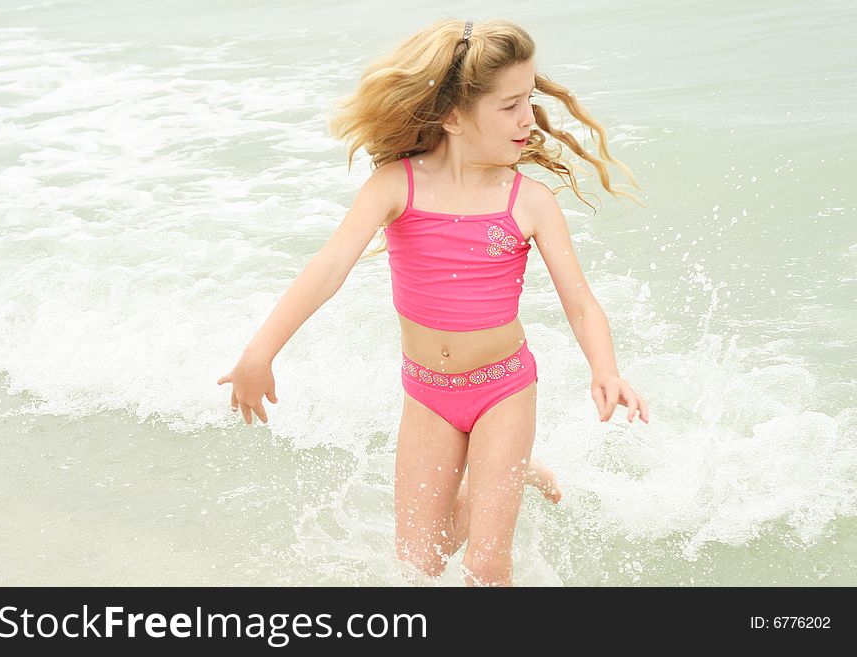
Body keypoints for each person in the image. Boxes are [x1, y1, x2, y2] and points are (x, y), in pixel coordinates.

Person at [217, 18, 650, 587]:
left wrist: (607, 369)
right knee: (420, 564)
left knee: (487, 567)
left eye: (530, 100)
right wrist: (261, 351)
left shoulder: (530, 201)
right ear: (452, 116)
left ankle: (504, 470)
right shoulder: (396, 185)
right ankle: (508, 478)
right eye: (510, 105)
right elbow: (327, 270)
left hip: (504, 389)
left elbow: (582, 303)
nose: (529, 119)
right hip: (427, 394)